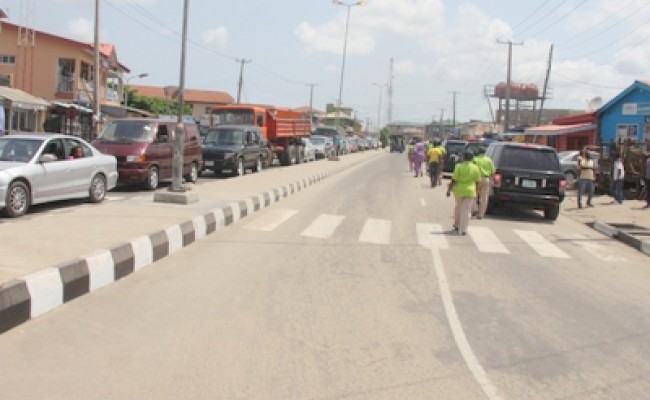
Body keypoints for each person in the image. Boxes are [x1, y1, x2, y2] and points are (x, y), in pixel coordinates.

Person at [447, 151, 481, 235]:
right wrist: (476, 191)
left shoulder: (459, 166)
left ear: (463, 157)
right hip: (470, 191)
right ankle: (464, 229)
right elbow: (477, 181)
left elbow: (454, 179)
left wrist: (449, 190)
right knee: (466, 210)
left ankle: (457, 225)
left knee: (458, 208)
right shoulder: (476, 168)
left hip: (459, 190)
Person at [472, 147, 495, 219]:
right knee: (484, 198)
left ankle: (475, 208)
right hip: (486, 179)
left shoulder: (475, 159)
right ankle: (481, 214)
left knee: (473, 195)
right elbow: (493, 171)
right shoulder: (489, 160)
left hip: (476, 179)